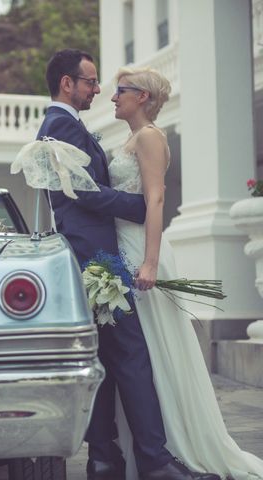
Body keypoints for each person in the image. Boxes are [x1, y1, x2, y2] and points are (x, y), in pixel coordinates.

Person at [36, 49, 219, 480]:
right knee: (131, 358)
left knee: (117, 359)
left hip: (111, 255)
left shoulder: (76, 126)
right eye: (92, 82)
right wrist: (136, 208)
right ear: (68, 84)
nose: (100, 92)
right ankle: (151, 462)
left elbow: (96, 189)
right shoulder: (60, 126)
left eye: (111, 88)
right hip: (99, 258)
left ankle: (107, 459)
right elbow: (75, 194)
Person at [108, 66, 263, 480]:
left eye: (120, 90)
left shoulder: (151, 137)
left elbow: (155, 201)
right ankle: (148, 451)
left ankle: (179, 448)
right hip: (124, 249)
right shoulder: (130, 138)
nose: (112, 97)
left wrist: (151, 263)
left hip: (143, 250)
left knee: (160, 351)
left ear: (142, 97)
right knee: (143, 355)